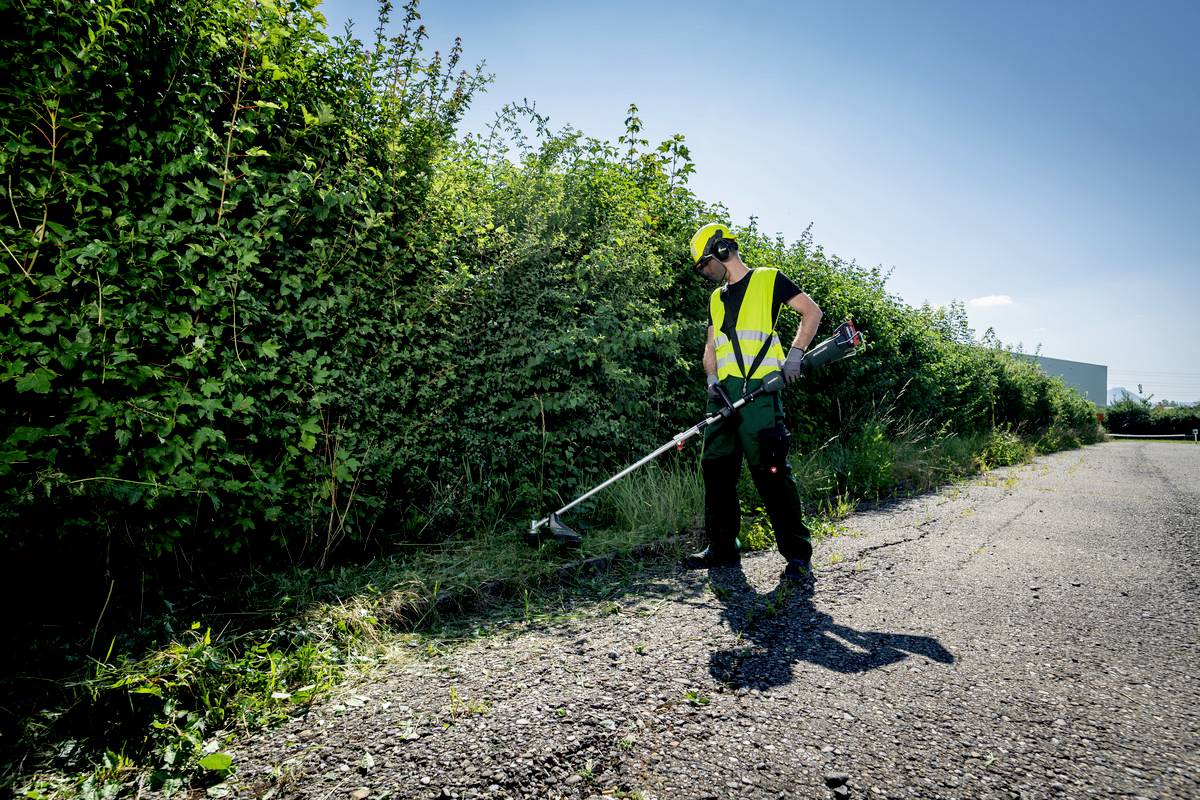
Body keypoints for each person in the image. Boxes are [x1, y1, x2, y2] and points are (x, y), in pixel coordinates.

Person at [685, 222, 823, 583]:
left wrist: (795, 355)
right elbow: (711, 346)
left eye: (703, 264)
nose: (703, 272)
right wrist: (712, 379)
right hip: (724, 396)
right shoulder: (716, 298)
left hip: (760, 392)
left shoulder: (768, 279)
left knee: (771, 473)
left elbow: (812, 312)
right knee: (715, 469)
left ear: (721, 250)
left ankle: (797, 557)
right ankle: (722, 549)